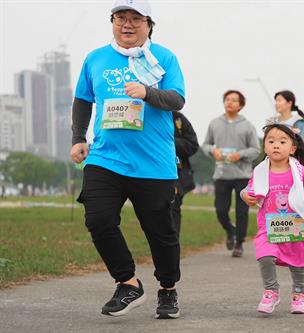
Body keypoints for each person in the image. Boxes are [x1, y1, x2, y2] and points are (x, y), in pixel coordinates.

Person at [70, 0, 185, 318]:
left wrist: (148, 92)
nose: (127, 24)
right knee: (98, 219)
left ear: (149, 24)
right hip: (106, 158)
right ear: (113, 22)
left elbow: (177, 98)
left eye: (136, 18)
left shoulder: (163, 57)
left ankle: (168, 289)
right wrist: (79, 137)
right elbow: (83, 99)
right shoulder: (95, 58)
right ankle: (127, 282)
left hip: (153, 163)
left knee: (161, 233)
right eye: (120, 17)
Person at [241, 123, 304, 315]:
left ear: (292, 148)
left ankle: (299, 294)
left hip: (295, 225)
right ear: (265, 147)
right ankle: (271, 291)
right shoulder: (261, 171)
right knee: (265, 255)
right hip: (269, 227)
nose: (275, 145)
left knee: (297, 261)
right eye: (271, 141)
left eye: (281, 141)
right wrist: (245, 195)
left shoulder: (301, 171)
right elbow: (249, 189)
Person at [202, 90, 260, 257]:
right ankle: (230, 230)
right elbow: (205, 145)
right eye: (227, 99)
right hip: (221, 174)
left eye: (234, 100)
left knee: (242, 211)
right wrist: (213, 151)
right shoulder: (214, 123)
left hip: (242, 175)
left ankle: (239, 243)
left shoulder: (247, 125)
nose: (230, 102)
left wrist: (240, 155)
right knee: (220, 210)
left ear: (240, 105)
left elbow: (256, 150)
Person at [172, 112, 199, 236]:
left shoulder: (178, 119)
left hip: (176, 175)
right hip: (146, 172)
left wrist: (168, 141)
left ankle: (172, 253)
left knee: (172, 210)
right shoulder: (141, 112)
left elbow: (193, 145)